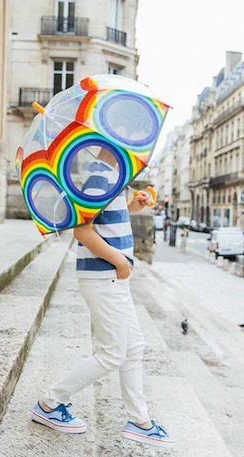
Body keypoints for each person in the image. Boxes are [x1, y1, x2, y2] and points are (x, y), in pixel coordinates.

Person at [31, 148, 174, 447]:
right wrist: (120, 262)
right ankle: (49, 403)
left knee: (134, 347)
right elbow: (83, 231)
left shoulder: (114, 179)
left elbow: (113, 215)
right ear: (113, 146)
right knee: (111, 353)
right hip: (104, 277)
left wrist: (137, 203)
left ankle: (140, 421)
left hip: (111, 279)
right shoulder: (98, 178)